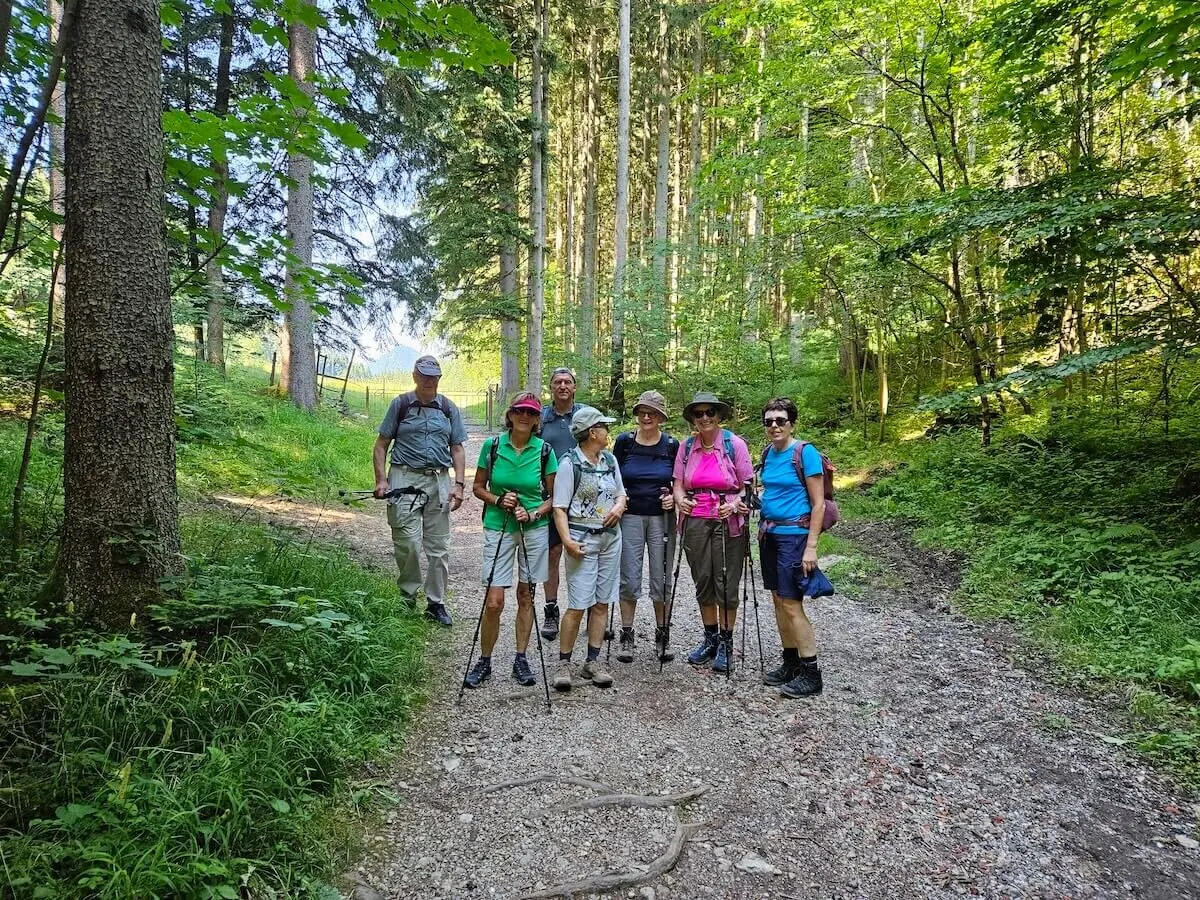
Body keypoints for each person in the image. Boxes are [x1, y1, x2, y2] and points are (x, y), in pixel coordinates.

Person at [463, 391, 558, 689]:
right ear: (510, 414)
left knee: (526, 596)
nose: (524, 417)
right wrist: (498, 499)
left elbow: (554, 498)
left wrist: (532, 514)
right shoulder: (493, 447)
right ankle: (485, 660)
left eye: (530, 413)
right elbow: (478, 487)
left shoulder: (544, 451)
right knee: (494, 601)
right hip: (498, 525)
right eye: (519, 411)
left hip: (533, 528)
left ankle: (521, 657)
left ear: (536, 419)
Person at [373, 354, 467, 626]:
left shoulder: (449, 409)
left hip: (439, 480)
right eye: (424, 375)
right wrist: (381, 480)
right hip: (404, 477)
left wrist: (459, 485)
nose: (429, 380)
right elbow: (381, 445)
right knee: (408, 543)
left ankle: (436, 603)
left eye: (434, 376)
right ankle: (408, 596)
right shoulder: (400, 404)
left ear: (439, 378)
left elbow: (457, 448)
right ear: (415, 376)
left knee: (439, 547)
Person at [672, 391, 753, 673]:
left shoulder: (735, 445)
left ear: (719, 416)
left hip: (727, 519)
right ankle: (710, 637)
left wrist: (733, 504)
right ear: (693, 418)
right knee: (703, 578)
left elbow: (748, 487)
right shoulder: (686, 447)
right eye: (699, 414)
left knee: (726, 581)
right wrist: (681, 499)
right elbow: (678, 483)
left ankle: (727, 642)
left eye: (710, 413)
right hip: (695, 519)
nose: (704, 418)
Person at [551, 406, 626, 691]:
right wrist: (568, 541)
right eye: (604, 427)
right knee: (578, 604)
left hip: (610, 539)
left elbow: (621, 493)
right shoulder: (570, 464)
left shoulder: (610, 460)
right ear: (592, 432)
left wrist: (619, 507)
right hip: (581, 539)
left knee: (602, 601)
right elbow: (559, 508)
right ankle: (563, 663)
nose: (608, 431)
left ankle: (592, 662)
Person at [757, 397, 827, 697]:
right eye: (769, 421)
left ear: (791, 423)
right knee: (777, 600)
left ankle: (811, 673)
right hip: (769, 534)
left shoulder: (805, 453)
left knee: (791, 603)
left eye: (780, 421)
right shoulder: (768, 454)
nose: (774, 426)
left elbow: (819, 503)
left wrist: (811, 546)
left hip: (794, 537)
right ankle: (790, 662)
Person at [613, 390, 679, 662]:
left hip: (661, 518)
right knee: (629, 576)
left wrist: (674, 498)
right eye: (642, 411)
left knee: (661, 577)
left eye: (652, 412)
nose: (647, 416)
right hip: (630, 516)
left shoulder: (673, 445)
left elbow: (682, 482)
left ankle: (662, 634)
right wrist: (619, 500)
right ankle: (626, 634)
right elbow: (612, 475)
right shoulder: (624, 442)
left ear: (661, 416)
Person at [538, 367, 582, 641]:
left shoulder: (586, 415)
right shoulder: (541, 418)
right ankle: (551, 610)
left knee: (585, 553)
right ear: (551, 387)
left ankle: (589, 608)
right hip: (551, 497)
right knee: (553, 552)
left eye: (567, 382)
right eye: (558, 382)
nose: (563, 386)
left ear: (574, 387)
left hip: (584, 496)